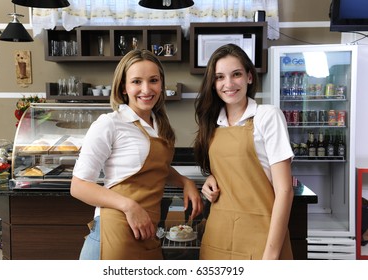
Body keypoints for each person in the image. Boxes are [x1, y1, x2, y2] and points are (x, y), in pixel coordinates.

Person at [71, 49, 203, 260]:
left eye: (153, 80)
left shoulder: (159, 125)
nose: (146, 89)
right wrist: (129, 206)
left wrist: (184, 181)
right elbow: (78, 186)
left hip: (147, 231)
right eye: (136, 81)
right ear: (123, 87)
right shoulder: (110, 123)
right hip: (114, 233)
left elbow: (156, 168)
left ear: (161, 84)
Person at [193, 44, 294, 260]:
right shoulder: (213, 123)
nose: (228, 84)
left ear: (249, 77)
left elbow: (285, 191)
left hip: (262, 237)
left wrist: (270, 255)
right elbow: (231, 169)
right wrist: (213, 177)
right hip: (218, 237)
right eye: (220, 77)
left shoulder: (267, 116)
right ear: (213, 83)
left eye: (236, 74)